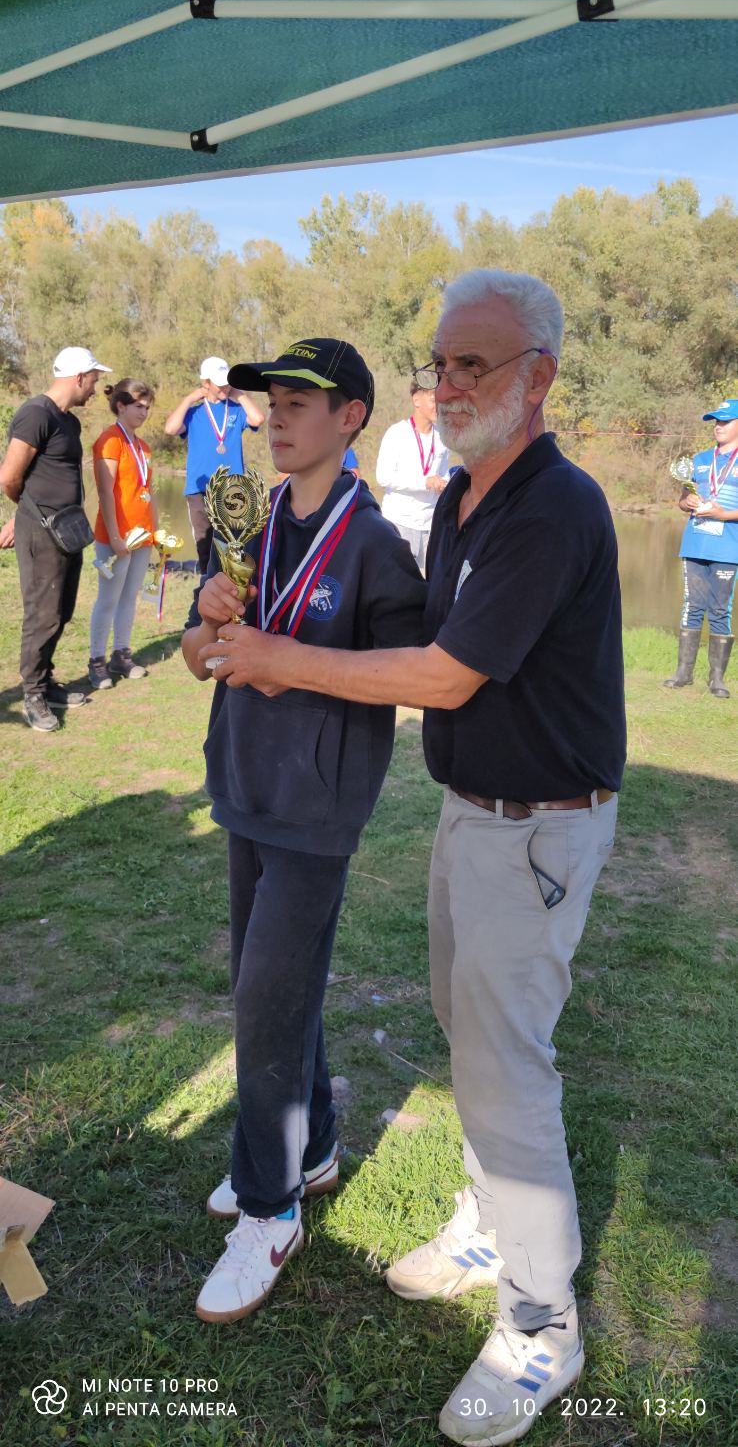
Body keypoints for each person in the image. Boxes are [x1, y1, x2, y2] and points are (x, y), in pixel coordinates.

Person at [199, 272, 626, 1445]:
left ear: (540, 375)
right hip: (474, 812)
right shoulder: (468, 495)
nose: (450, 385)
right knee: (465, 1032)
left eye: (475, 364)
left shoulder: (553, 506)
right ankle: (488, 1224)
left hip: (538, 824)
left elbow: (440, 673)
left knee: (506, 1069)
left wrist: (276, 656)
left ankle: (541, 1322)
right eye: (440, 364)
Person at [181, 337, 426, 1325]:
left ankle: (269, 1208)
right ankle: (313, 1148)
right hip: (244, 785)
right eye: (270, 402)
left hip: (318, 809)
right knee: (273, 989)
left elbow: (410, 674)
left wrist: (293, 660)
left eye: (299, 402)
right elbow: (200, 655)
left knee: (264, 1003)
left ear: (350, 416)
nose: (276, 418)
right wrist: (208, 620)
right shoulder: (248, 517)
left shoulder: (373, 545)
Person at [0, 345, 112, 733]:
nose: (95, 389)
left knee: (61, 611)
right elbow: (9, 477)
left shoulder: (69, 422)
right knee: (42, 614)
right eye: (93, 380)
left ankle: (46, 682)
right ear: (78, 377)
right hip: (42, 531)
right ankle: (32, 694)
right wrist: (28, 514)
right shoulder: (36, 413)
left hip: (67, 530)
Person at [664, 396, 738, 698]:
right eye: (716, 422)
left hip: (728, 548)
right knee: (691, 606)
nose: (718, 426)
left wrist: (723, 514)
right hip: (695, 544)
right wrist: (688, 501)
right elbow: (682, 501)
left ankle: (717, 679)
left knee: (720, 610)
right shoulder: (699, 460)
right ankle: (683, 673)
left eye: (725, 421)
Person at [88, 379, 159, 690]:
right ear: (121, 406)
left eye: (147, 407)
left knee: (130, 597)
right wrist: (115, 537)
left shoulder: (143, 447)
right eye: (138, 406)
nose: (144, 412)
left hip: (141, 535)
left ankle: (121, 654)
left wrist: (156, 531)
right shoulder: (109, 440)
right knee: (109, 598)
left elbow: (148, 491)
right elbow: (105, 492)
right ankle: (96, 661)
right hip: (116, 537)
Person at [164, 356, 264, 573]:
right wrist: (189, 399)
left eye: (228, 382)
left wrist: (240, 395)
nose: (225, 387)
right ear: (205, 383)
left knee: (233, 544)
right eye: (220, 384)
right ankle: (206, 585)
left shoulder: (236, 410)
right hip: (199, 490)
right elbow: (170, 429)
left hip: (231, 488)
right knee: (205, 545)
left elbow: (258, 419)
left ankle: (233, 587)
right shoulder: (194, 413)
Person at [376, 379, 450, 573]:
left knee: (429, 583)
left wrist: (444, 483)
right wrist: (424, 483)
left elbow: (443, 473)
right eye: (433, 400)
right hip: (400, 522)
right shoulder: (397, 433)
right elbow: (383, 476)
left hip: (430, 524)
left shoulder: (442, 437)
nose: (439, 406)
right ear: (416, 400)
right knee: (397, 582)